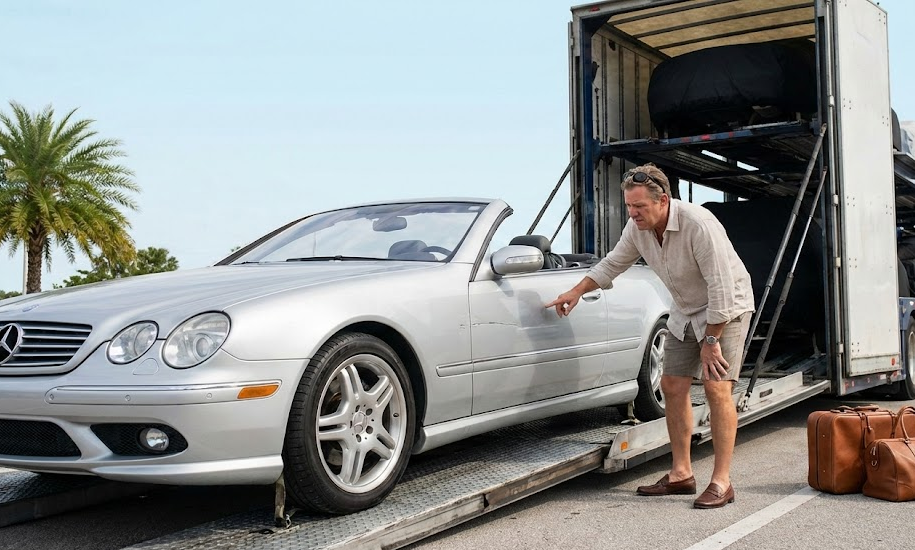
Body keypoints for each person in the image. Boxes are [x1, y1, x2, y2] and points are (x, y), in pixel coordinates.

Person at [546, 163, 754, 509]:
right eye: (629, 206)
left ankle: (721, 481)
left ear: (663, 201)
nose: (633, 213)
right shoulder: (638, 228)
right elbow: (613, 263)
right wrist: (576, 291)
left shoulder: (698, 224)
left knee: (718, 388)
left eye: (640, 207)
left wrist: (711, 342)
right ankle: (681, 474)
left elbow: (721, 288)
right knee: (672, 385)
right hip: (685, 309)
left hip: (726, 309)